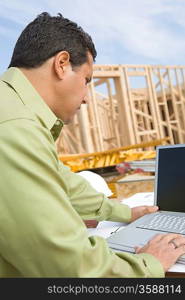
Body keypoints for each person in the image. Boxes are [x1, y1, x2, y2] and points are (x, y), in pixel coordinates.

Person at [0, 12, 185, 278]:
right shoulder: (16, 128)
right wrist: (148, 263)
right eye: (86, 80)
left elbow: (58, 179)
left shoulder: (12, 111)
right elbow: (69, 267)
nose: (87, 97)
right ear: (61, 63)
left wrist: (123, 212)